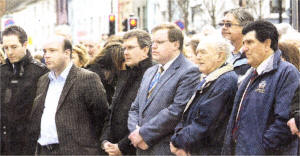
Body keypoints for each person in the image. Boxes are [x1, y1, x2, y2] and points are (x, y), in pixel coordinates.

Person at [222, 20, 300, 155]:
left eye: (250, 42)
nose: (244, 48)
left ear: (267, 44)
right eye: (244, 42)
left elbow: (283, 122)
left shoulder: (287, 72)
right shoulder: (251, 74)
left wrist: (259, 149)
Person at [28, 35, 108, 155]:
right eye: (45, 51)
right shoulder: (43, 80)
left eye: (52, 51)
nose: (47, 55)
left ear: (67, 53)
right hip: (44, 150)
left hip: (76, 151)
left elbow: (101, 117)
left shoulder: (87, 78)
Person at [128, 23, 200, 155]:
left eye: (159, 42)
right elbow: (135, 107)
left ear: (176, 44)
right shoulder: (150, 71)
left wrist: (144, 134)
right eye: (153, 42)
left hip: (163, 148)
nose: (153, 46)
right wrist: (135, 134)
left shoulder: (189, 71)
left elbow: (176, 110)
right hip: (140, 147)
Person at [170, 36, 238, 155]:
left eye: (203, 52)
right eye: (197, 53)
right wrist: (178, 138)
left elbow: (205, 122)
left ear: (220, 56)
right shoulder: (210, 78)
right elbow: (186, 116)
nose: (198, 57)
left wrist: (177, 141)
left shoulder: (225, 80)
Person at [101, 29, 154, 155]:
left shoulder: (153, 74)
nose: (125, 52)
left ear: (145, 50)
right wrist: (105, 140)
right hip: (114, 147)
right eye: (124, 48)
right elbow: (112, 111)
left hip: (137, 149)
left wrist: (122, 147)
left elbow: (147, 119)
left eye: (130, 48)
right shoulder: (126, 73)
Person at [0, 25, 48, 155]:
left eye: (14, 47)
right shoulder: (2, 72)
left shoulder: (40, 72)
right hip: (4, 144)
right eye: (5, 48)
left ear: (25, 44)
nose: (9, 52)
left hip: (28, 144)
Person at [221, 8, 254, 77]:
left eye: (228, 24)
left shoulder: (253, 55)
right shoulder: (224, 53)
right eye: (222, 24)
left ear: (245, 27)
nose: (223, 27)